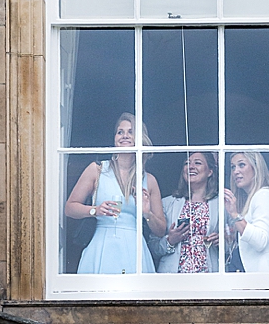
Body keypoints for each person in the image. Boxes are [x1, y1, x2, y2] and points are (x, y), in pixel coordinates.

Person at [65, 112, 166, 273]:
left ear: (140, 138)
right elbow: (70, 208)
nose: (124, 135)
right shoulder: (97, 170)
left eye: (130, 132)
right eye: (120, 132)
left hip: (135, 249)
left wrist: (147, 214)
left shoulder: (149, 180)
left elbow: (161, 230)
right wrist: (94, 210)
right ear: (114, 138)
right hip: (102, 245)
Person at [150, 152, 219, 273]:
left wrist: (222, 241)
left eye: (197, 163)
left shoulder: (221, 204)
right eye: (187, 163)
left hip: (210, 278)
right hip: (175, 280)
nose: (191, 166)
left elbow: (234, 244)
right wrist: (170, 240)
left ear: (210, 171)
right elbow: (152, 247)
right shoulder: (167, 204)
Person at [224, 152, 269, 272]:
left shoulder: (264, 196)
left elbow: (260, 241)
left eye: (241, 165)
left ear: (256, 168)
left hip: (264, 281)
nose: (236, 171)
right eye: (233, 167)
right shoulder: (252, 199)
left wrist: (235, 215)